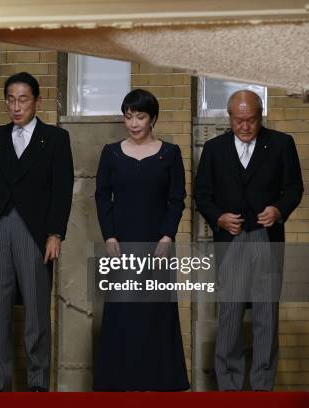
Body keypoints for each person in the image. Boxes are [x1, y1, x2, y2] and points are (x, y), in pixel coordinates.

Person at [194, 90, 303, 391]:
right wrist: (218, 217)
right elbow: (202, 194)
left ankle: (262, 388)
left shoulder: (282, 144)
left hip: (265, 238)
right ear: (229, 118)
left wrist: (279, 209)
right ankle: (228, 387)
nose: (245, 127)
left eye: (251, 120)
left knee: (266, 314)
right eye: (239, 121)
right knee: (229, 314)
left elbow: (294, 187)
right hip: (230, 240)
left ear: (260, 116)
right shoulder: (214, 149)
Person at [0, 72, 74, 392]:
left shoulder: (56, 139)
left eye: (23, 99)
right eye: (11, 100)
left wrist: (55, 233)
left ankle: (37, 382)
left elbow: (62, 190)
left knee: (36, 310)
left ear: (37, 102)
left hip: (36, 231)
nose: (16, 107)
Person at [93, 88, 189, 391]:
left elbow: (177, 199)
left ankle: (158, 383)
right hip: (121, 245)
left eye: (140, 116)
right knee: (123, 315)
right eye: (129, 116)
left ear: (153, 119)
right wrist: (109, 236)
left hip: (157, 243)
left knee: (155, 316)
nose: (134, 123)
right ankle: (121, 383)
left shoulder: (170, 153)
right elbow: (101, 198)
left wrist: (166, 237)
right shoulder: (110, 153)